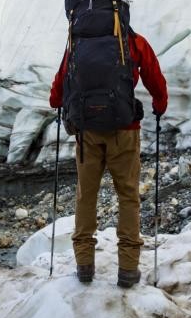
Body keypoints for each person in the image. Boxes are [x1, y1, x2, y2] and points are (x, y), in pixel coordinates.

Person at [48, 31, 167, 287]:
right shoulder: (134, 42)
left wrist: (58, 101)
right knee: (127, 195)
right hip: (125, 129)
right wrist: (160, 103)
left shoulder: (78, 43)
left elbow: (58, 88)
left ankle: (84, 266)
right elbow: (154, 77)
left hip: (87, 131)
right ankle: (127, 268)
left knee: (86, 195)